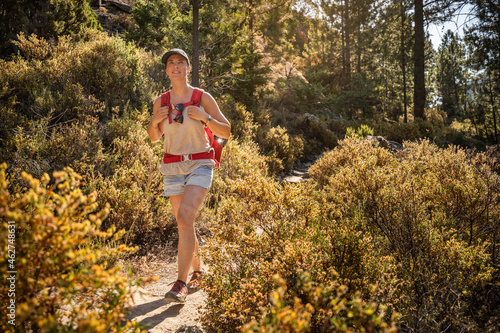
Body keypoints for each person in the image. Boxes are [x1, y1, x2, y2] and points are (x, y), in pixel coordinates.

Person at [147, 48, 231, 303]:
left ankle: (180, 285)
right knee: (185, 224)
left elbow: (226, 131)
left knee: (184, 218)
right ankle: (198, 271)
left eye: (180, 62)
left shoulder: (201, 97)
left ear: (188, 68)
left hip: (200, 164)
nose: (175, 66)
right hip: (172, 167)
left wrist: (205, 118)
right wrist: (154, 121)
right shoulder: (161, 101)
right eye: (170, 63)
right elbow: (154, 137)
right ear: (166, 70)